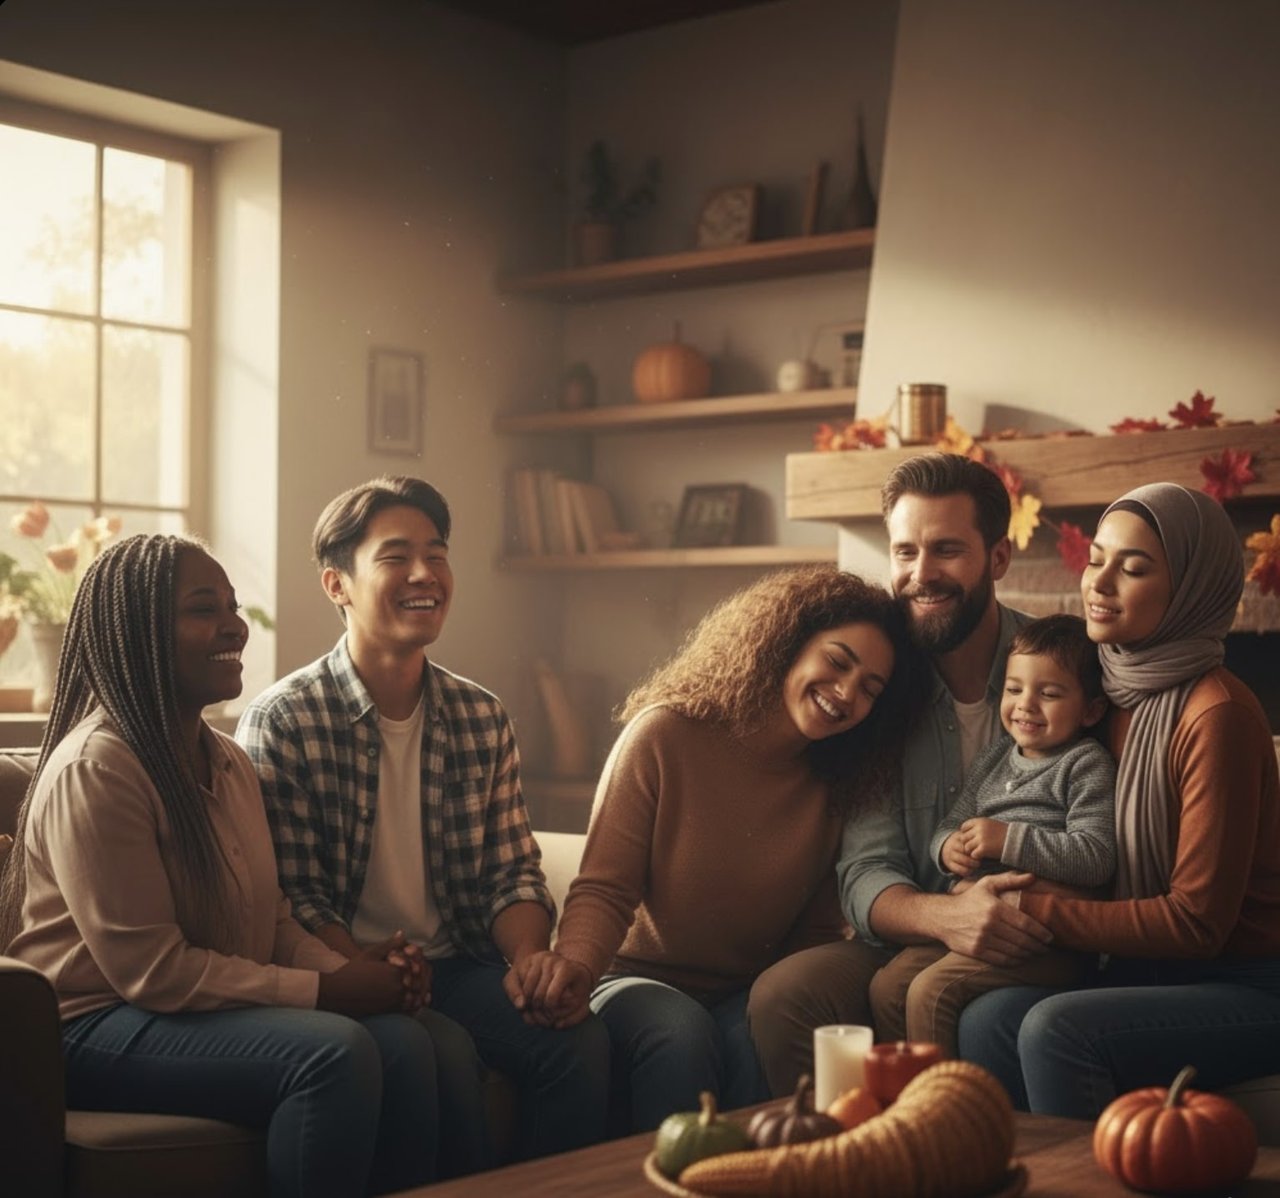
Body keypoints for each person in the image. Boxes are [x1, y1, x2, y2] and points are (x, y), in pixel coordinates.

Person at [0, 534, 440, 1198]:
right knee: (332, 1054)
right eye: (204, 608)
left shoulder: (229, 762)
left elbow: (275, 922)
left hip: (182, 1011)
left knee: (407, 1043)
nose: (233, 623)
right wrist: (333, 995)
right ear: (139, 630)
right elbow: (154, 972)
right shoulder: (98, 768)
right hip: (92, 1025)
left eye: (232, 604)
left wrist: (353, 972)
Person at [236, 476, 611, 1166]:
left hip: (458, 966)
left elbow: (511, 870)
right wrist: (360, 974)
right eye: (395, 557)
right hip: (343, 967)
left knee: (575, 1039)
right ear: (336, 585)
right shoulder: (283, 719)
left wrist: (531, 960)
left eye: (437, 555)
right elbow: (293, 895)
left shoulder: (480, 714)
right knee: (439, 1051)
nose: (424, 575)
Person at [506, 565, 925, 1130]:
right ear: (789, 643)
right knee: (681, 1032)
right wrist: (577, 968)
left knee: (760, 1045)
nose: (847, 692)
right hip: (630, 979)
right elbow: (605, 889)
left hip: (740, 993)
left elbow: (813, 935)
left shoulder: (840, 782)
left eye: (870, 688)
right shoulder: (665, 735)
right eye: (837, 661)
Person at [959, 483, 1280, 1116]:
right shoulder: (1099, 691)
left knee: (1055, 1028)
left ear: (1190, 588)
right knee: (987, 1019)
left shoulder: (1217, 714)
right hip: (1138, 967)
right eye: (1096, 558)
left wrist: (1030, 906)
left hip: (1243, 984)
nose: (1099, 583)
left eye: (1132, 568)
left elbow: (1196, 923)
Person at [749, 453, 1055, 1093]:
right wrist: (945, 917)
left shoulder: (1061, 666)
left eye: (946, 550)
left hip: (1035, 922)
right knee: (785, 994)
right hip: (912, 931)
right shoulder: (878, 682)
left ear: (998, 559)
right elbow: (865, 869)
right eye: (905, 551)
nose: (921, 575)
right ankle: (840, 1170)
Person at [869, 613, 1117, 1055]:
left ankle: (949, 1113)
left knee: (932, 991)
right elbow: (952, 823)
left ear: (1092, 709)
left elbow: (1096, 856)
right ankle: (907, 1100)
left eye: (1050, 693)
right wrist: (947, 848)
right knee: (889, 985)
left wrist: (1008, 839)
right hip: (980, 921)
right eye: (1015, 688)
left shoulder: (1085, 764)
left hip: (1046, 941)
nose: (1026, 705)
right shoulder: (997, 757)